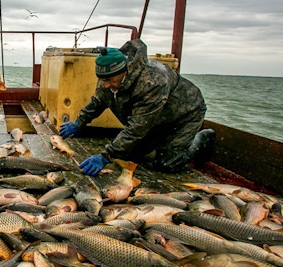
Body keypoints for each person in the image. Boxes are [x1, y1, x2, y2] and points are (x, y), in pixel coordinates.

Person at [59, 39, 215, 176]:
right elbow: (98, 102)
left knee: (167, 163)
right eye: (101, 80)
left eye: (109, 80)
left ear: (124, 72)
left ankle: (202, 138)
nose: (105, 85)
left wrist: (105, 156)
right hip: (156, 117)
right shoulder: (109, 79)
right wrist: (78, 123)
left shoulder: (152, 82)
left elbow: (136, 129)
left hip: (185, 115)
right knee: (131, 155)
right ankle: (163, 140)